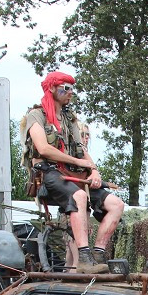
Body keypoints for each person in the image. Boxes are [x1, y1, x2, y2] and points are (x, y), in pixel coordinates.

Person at [23, 72, 124, 274]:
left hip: (73, 174)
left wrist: (94, 171)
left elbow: (81, 148)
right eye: (65, 88)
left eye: (71, 88)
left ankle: (98, 253)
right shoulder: (36, 116)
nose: (70, 92)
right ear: (52, 88)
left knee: (116, 204)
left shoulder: (69, 118)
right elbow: (43, 149)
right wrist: (77, 161)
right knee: (78, 196)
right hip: (48, 173)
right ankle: (84, 256)